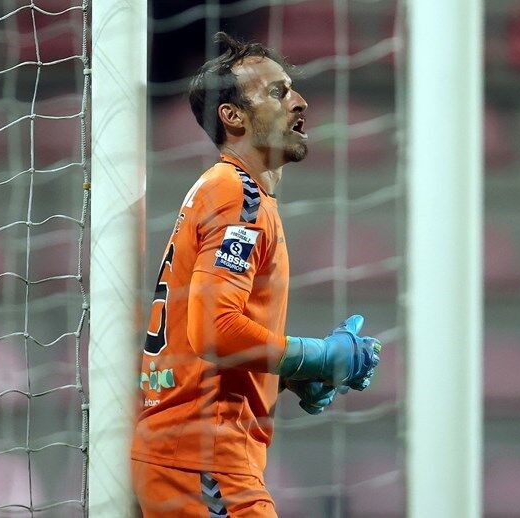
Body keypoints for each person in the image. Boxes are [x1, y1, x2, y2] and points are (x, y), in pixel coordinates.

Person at [131, 32, 382, 517]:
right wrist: (313, 354)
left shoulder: (234, 193)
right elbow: (213, 330)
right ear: (233, 116)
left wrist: (293, 374)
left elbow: (203, 341)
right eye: (277, 92)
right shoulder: (236, 195)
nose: (299, 102)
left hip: (197, 455)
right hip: (204, 457)